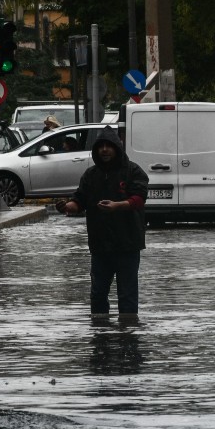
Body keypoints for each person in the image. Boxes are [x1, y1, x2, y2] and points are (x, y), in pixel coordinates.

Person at [57, 126, 149, 321]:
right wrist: (68, 206)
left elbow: (139, 199)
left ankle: (128, 335)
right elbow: (79, 200)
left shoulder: (133, 171)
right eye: (101, 147)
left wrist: (118, 206)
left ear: (117, 148)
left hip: (128, 245)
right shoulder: (91, 175)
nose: (105, 150)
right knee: (98, 294)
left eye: (109, 146)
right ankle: (100, 336)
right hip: (100, 247)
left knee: (127, 295)